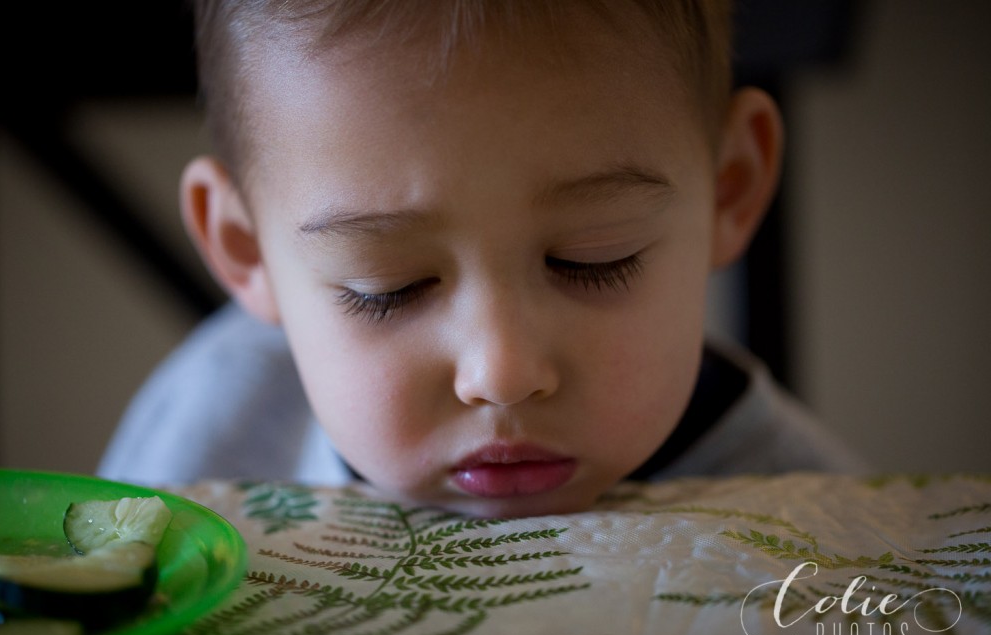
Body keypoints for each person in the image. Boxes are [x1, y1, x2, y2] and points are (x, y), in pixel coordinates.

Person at [99, 0, 866, 517]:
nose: (501, 373)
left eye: (592, 260)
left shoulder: (823, 533)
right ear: (245, 248)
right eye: (388, 287)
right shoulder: (198, 456)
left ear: (730, 188)